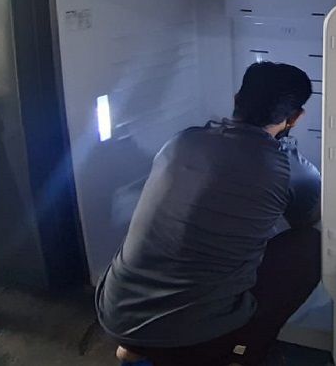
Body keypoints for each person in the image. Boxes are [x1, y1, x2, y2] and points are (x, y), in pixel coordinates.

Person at [96, 62, 322, 366]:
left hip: (116, 313)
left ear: (236, 99)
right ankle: (240, 354)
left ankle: (137, 350)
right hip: (192, 337)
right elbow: (307, 219)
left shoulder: (182, 141)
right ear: (296, 118)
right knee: (310, 247)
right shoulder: (293, 170)